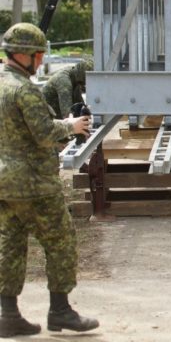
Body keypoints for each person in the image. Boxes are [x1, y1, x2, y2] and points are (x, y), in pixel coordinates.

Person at [0, 23, 98, 337]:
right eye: (39, 55)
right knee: (60, 241)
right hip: (35, 182)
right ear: (24, 55)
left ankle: (8, 314)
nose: (41, 61)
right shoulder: (24, 89)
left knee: (10, 245)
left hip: (5, 180)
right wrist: (71, 126)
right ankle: (61, 311)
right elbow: (43, 132)